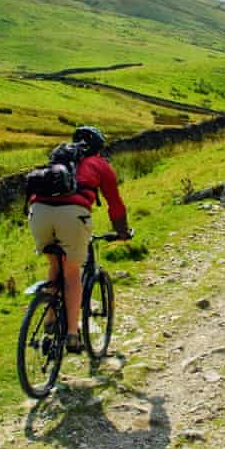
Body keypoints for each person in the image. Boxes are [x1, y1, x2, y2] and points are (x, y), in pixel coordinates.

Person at [27, 126, 131, 354]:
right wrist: (123, 231)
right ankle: (73, 335)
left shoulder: (59, 159)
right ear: (98, 148)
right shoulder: (99, 164)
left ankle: (50, 320)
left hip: (38, 212)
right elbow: (115, 203)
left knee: (55, 264)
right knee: (73, 272)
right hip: (73, 215)